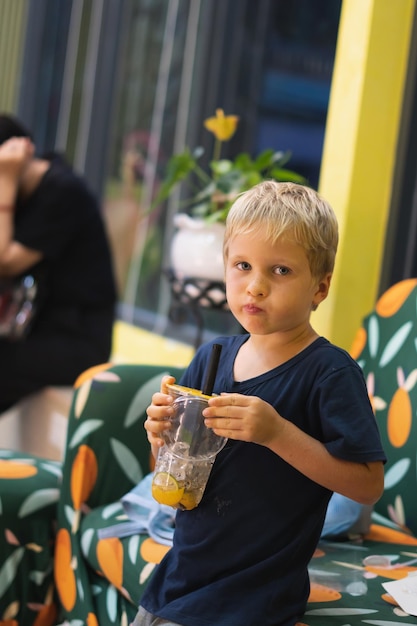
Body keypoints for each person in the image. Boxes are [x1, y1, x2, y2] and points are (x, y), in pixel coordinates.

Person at [135, 180, 386, 626]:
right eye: (243, 265)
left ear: (320, 287)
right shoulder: (211, 359)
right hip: (179, 579)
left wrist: (278, 434)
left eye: (281, 271)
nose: (255, 286)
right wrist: (160, 437)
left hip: (253, 599)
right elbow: (176, 478)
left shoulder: (329, 373)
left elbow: (366, 485)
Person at [0, 113, 117, 412]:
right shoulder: (27, 195)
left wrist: (5, 179)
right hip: (36, 333)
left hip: (77, 341)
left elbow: (4, 262)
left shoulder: (62, 191)